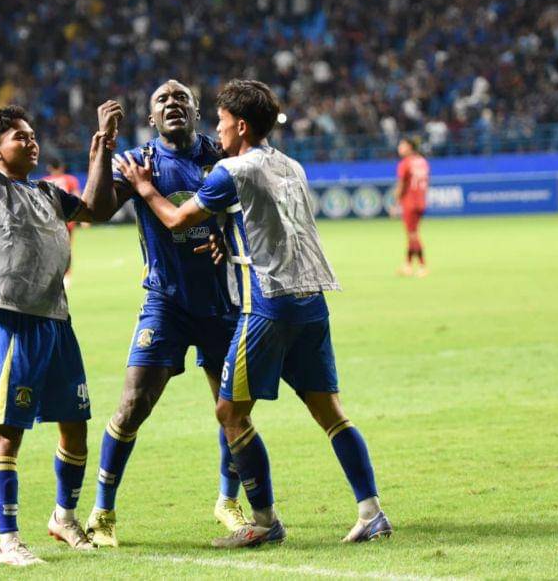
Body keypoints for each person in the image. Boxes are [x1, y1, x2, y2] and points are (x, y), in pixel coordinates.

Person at [114, 79, 392, 548]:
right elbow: (261, 220)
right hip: (312, 300)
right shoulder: (291, 165)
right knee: (331, 413)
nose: (218, 131)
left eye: (222, 122)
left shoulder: (231, 170)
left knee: (230, 412)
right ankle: (371, 512)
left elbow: (177, 219)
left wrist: (143, 186)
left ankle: (263, 522)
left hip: (268, 304)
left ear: (241, 126)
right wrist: (225, 236)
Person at [0, 31, 122, 566]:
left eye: (34, 136)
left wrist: (101, 147)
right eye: (20, 137)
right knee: (9, 434)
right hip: (17, 321)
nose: (31, 143)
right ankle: (7, 540)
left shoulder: (48, 193)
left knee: (75, 427)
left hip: (58, 321)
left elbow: (96, 208)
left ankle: (63, 517)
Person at [84, 79, 249, 547]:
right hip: (165, 301)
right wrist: (103, 145)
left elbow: (249, 212)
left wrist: (226, 236)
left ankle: (228, 501)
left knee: (232, 410)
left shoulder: (222, 155)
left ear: (196, 112)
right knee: (133, 405)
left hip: (220, 301)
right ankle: (102, 511)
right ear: (151, 118)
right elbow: (96, 211)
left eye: (182, 98)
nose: (172, 103)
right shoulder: (139, 161)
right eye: (163, 100)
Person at [42, 159, 81, 287]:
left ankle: (52, 275)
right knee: (67, 248)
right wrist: (81, 219)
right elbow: (77, 197)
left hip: (50, 220)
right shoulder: (70, 179)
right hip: (67, 219)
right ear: (62, 167)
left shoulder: (44, 181)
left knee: (50, 248)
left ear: (49, 168)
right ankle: (67, 275)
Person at [394, 137, 430, 276]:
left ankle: (422, 265)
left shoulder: (405, 163)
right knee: (412, 233)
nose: (399, 148)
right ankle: (408, 265)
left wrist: (396, 202)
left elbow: (401, 184)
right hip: (421, 200)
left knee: (413, 234)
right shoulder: (422, 161)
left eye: (402, 145)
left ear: (409, 147)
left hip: (410, 201)